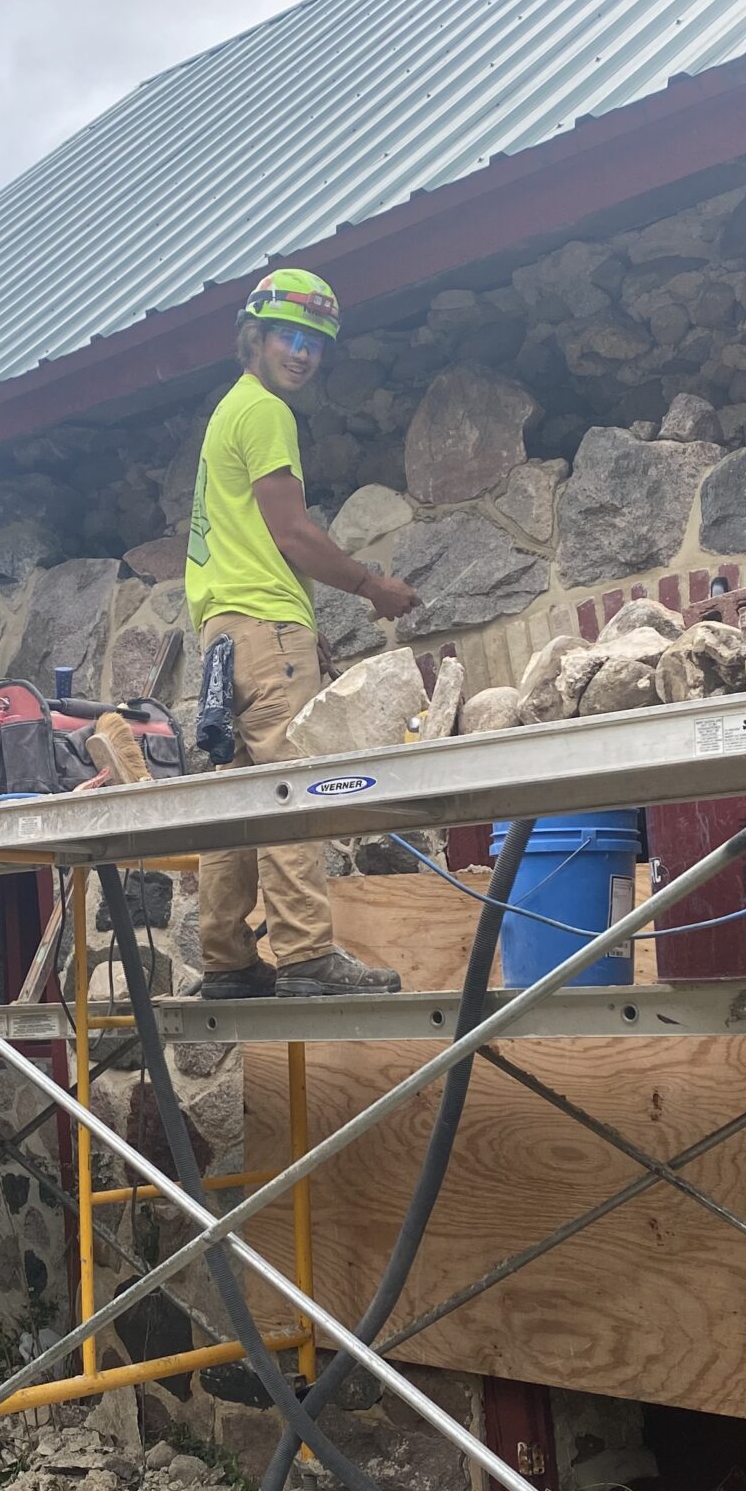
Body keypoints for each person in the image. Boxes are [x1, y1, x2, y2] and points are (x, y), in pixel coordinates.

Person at [185, 267, 422, 999]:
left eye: (314, 342)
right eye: (288, 335)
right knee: (292, 788)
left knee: (240, 796)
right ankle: (307, 956)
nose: (302, 352)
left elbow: (249, 542)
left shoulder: (229, 411)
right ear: (252, 337)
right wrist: (369, 587)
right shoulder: (264, 413)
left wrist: (301, 620)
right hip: (264, 628)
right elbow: (290, 532)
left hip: (227, 634)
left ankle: (225, 961)